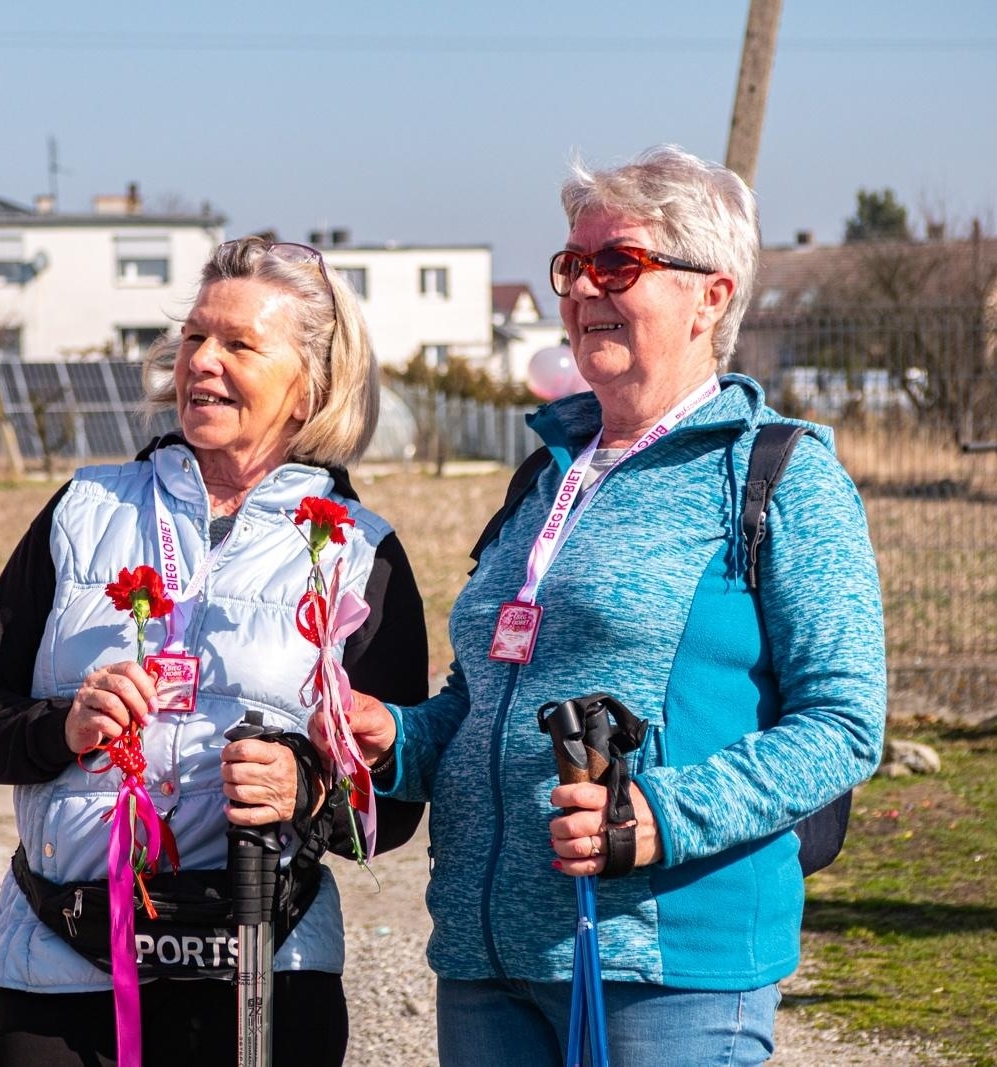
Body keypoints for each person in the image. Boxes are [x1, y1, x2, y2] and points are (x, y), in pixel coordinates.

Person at [335, 145, 886, 1065]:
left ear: (711, 295)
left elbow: (844, 724)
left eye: (616, 263)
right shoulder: (543, 476)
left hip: (667, 972)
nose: (584, 288)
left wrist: (660, 817)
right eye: (571, 265)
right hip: (488, 957)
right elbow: (486, 703)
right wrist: (397, 736)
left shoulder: (779, 476)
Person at [0, 235, 429, 1066]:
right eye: (195, 337)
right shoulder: (85, 509)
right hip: (64, 958)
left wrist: (304, 786)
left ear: (310, 387)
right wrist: (61, 727)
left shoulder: (359, 551)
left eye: (238, 344)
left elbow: (395, 808)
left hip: (267, 961)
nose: (201, 362)